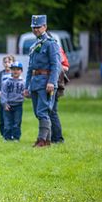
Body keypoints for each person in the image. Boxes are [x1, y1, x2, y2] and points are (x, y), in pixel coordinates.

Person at [24, 14, 61, 147]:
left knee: (42, 111)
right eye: (33, 27)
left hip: (46, 82)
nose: (35, 30)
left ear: (45, 27)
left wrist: (52, 81)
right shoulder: (34, 45)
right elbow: (30, 68)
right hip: (35, 82)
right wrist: (26, 86)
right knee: (38, 112)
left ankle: (41, 140)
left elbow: (56, 65)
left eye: (38, 27)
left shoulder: (51, 44)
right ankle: (47, 141)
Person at [0, 61, 25, 141]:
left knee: (17, 123)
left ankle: (16, 137)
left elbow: (27, 92)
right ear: (11, 70)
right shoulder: (6, 82)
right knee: (7, 123)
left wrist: (27, 94)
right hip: (8, 105)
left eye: (18, 69)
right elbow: (3, 93)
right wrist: (4, 103)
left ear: (21, 71)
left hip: (18, 105)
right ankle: (7, 137)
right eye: (13, 69)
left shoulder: (23, 82)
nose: (15, 71)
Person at [50, 46, 70, 143]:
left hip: (54, 84)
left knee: (52, 112)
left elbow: (65, 67)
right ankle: (53, 137)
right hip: (52, 83)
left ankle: (58, 138)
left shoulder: (56, 48)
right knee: (50, 112)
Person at [0, 55, 15, 138]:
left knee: (12, 118)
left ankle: (12, 133)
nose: (7, 64)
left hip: (13, 99)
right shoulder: (1, 74)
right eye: (5, 62)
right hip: (3, 100)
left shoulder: (14, 74)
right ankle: (3, 134)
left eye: (9, 62)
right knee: (2, 118)